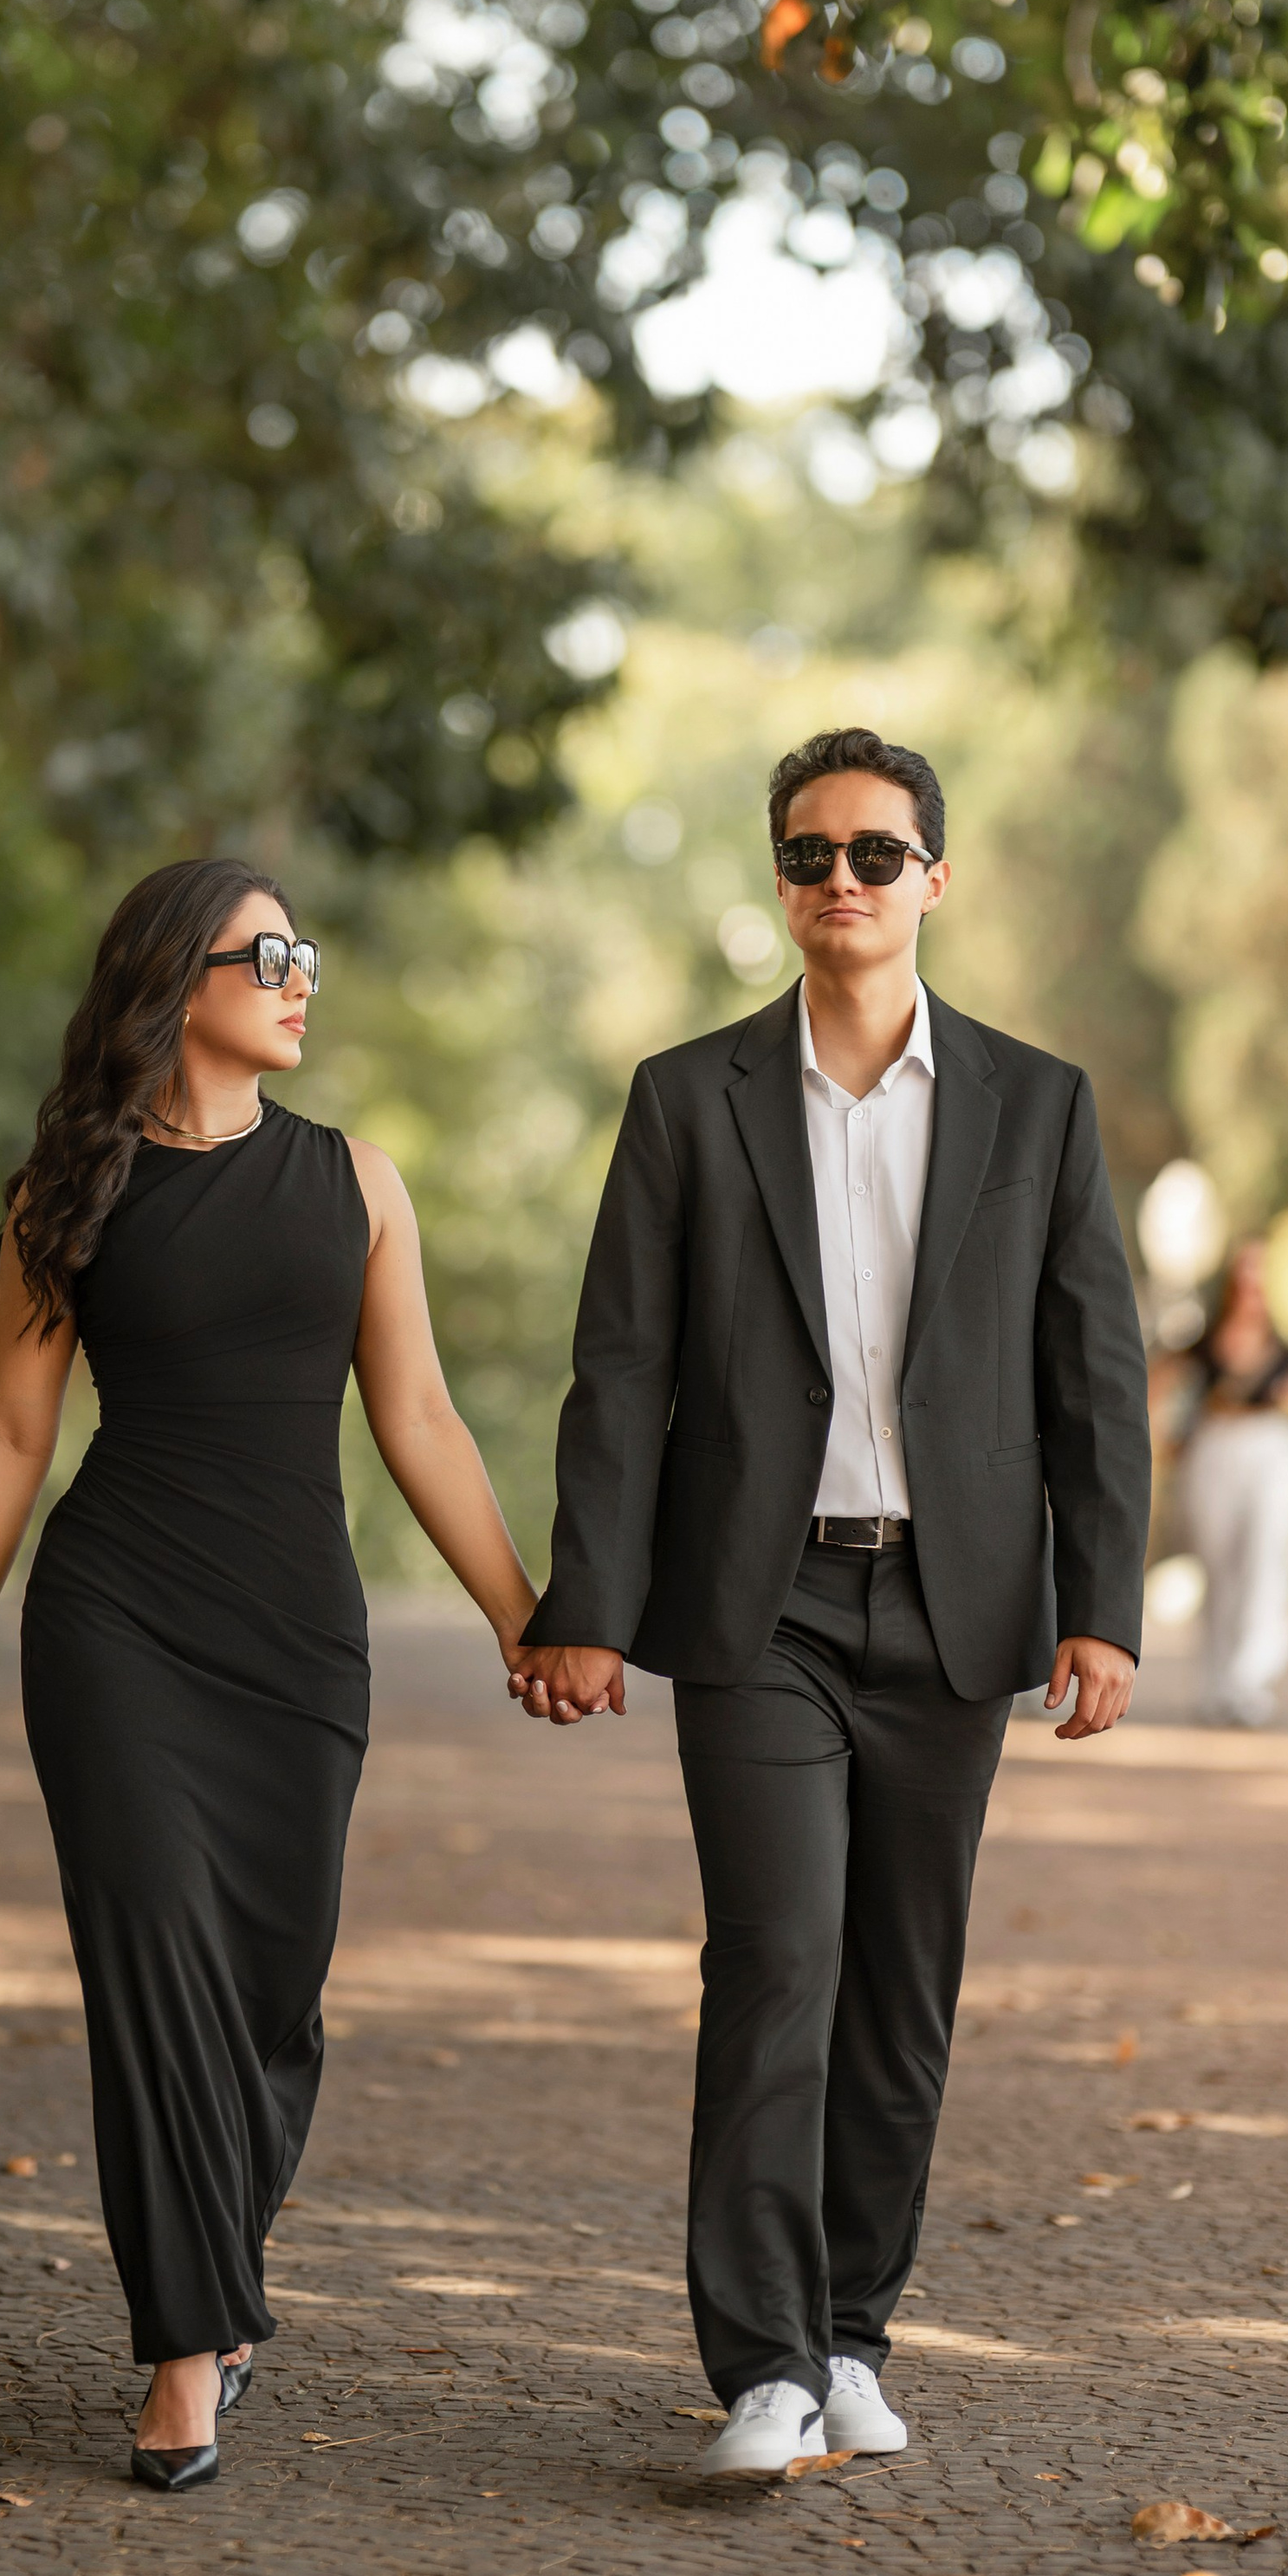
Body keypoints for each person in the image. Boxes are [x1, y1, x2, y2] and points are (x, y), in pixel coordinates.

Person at [509, 727, 1151, 2475]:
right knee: (774, 1958)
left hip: (950, 1608)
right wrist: (584, 1601)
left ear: (931, 879)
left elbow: (1090, 1374)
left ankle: (856, 2332)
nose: (841, 882)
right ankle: (764, 2369)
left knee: (897, 1985)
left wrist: (1100, 1604)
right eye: (809, 856)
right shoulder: (685, 1098)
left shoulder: (1037, 1104)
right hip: (757, 1606)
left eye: (876, 854)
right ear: (777, 883)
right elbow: (619, 1371)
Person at [0, 857, 537, 2493]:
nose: (301, 976)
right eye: (269, 954)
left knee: (270, 1982)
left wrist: (516, 1612)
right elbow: (8, 1434)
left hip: (297, 1639)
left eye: (304, 951)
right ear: (178, 980)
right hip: (116, 1622)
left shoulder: (360, 1183)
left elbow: (420, 1423)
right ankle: (186, 2353)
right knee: (159, 1970)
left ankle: (220, 2282)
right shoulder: (77, 1190)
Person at [1167, 1241, 1288, 1728]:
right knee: (1219, 1567)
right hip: (1216, 1452)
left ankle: (1250, 1681)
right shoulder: (1205, 1339)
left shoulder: (1284, 1346)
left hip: (1271, 1452)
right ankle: (1218, 1682)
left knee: (1263, 1562)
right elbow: (1156, 1380)